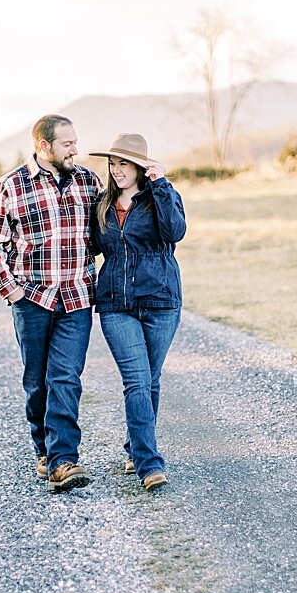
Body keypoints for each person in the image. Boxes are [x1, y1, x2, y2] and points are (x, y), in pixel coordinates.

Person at [0, 114, 103, 492]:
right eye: (67, 144)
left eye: (75, 142)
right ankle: (45, 452)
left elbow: (100, 234)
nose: (74, 150)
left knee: (65, 377)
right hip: (31, 300)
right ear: (43, 146)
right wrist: (12, 291)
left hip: (77, 296)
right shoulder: (11, 186)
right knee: (37, 382)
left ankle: (65, 459)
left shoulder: (88, 181)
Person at [89, 133, 186, 492]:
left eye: (123, 163)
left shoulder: (162, 195)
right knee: (137, 381)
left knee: (150, 379)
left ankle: (134, 447)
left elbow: (175, 231)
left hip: (160, 301)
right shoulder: (101, 204)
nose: (116, 170)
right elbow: (93, 248)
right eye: (112, 163)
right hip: (116, 305)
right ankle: (148, 463)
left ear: (141, 167)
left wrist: (161, 186)